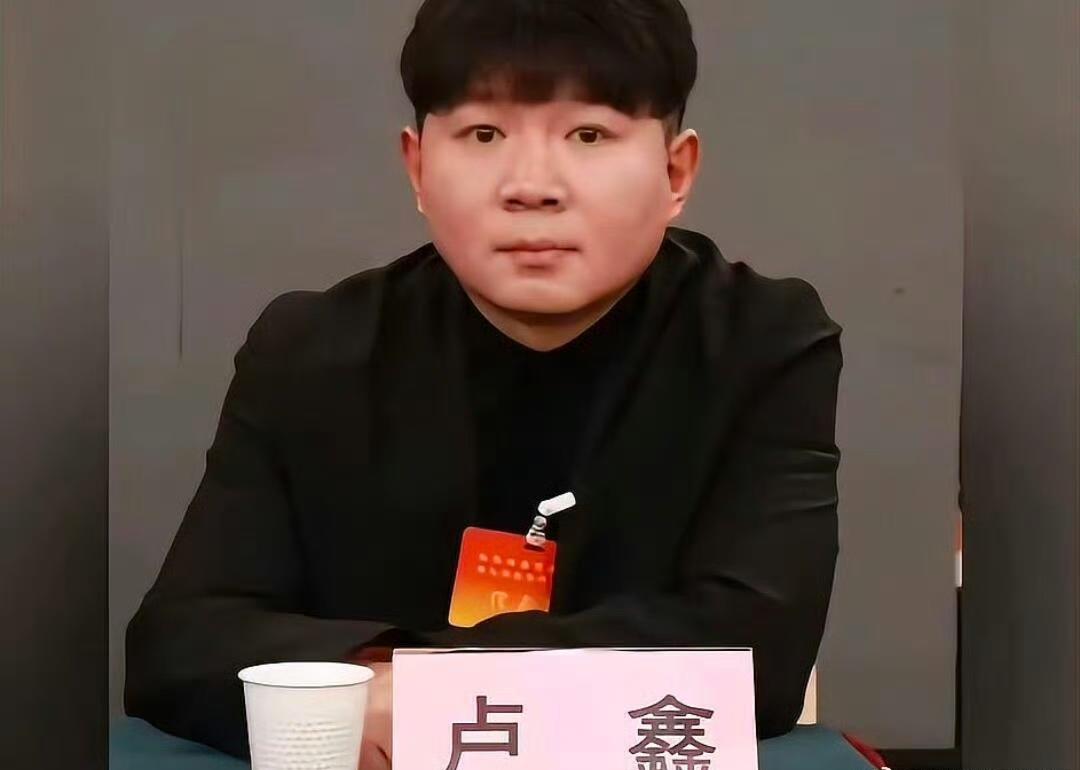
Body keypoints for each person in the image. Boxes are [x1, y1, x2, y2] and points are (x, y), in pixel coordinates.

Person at [124, 0, 843, 767]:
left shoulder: (759, 341)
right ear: (418, 169)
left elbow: (757, 655)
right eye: (484, 135)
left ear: (676, 173)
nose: (531, 186)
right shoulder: (310, 349)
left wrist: (423, 688)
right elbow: (179, 641)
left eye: (588, 135)